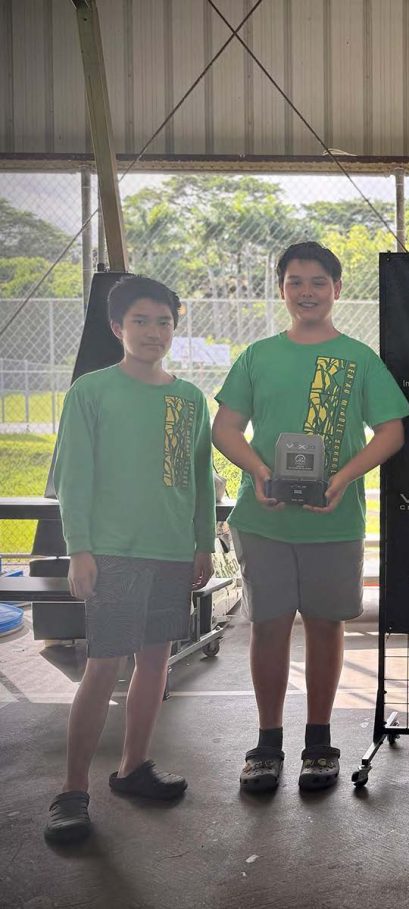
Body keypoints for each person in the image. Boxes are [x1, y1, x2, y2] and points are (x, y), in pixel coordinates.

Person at [213, 242, 409, 793]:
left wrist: (343, 477)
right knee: (270, 628)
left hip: (333, 519)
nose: (307, 291)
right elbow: (225, 429)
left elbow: (391, 431)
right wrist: (258, 470)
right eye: (296, 281)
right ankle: (268, 741)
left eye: (318, 282)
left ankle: (319, 740)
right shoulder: (257, 356)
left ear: (336, 290)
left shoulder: (359, 359)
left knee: (325, 627)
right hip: (264, 520)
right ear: (282, 289)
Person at [45, 276, 216, 844]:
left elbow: (197, 480)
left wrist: (201, 543)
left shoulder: (188, 398)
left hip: (173, 552)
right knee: (103, 665)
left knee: (155, 662)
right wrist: (81, 551)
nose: (153, 331)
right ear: (117, 328)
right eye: (140, 321)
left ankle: (133, 769)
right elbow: (75, 479)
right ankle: (72, 793)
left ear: (175, 326)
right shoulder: (91, 392)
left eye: (163, 321)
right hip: (113, 554)